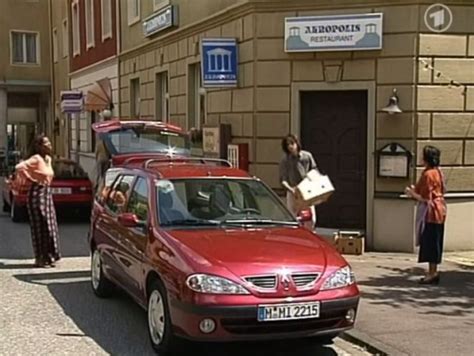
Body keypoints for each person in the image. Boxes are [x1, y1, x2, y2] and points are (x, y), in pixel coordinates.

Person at [15, 134, 60, 268]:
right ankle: (39, 258)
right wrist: (31, 179)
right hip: (36, 194)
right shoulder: (36, 158)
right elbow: (19, 167)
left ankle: (50, 256)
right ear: (39, 146)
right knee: (40, 227)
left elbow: (49, 176)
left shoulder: (48, 159)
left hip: (47, 194)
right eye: (46, 143)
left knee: (50, 227)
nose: (50, 145)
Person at [405, 145, 446, 285]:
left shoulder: (428, 174)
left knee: (430, 242)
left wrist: (411, 193)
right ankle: (432, 271)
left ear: (426, 158)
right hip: (440, 210)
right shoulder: (439, 172)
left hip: (431, 212)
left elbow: (425, 197)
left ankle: (432, 273)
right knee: (435, 240)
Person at [279, 134, 317, 229]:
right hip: (293, 191)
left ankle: (309, 235)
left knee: (310, 218)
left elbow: (314, 170)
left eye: (292, 143)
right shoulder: (285, 160)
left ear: (296, 143)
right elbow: (283, 179)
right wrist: (291, 190)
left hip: (306, 191)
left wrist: (310, 181)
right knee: (293, 218)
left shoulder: (307, 156)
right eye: (288, 145)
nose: (291, 147)